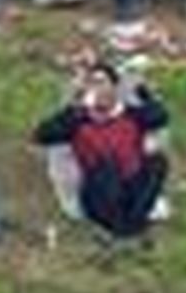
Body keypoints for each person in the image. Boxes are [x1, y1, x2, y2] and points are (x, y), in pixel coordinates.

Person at [34, 61, 170, 239]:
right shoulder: (78, 120)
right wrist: (74, 108)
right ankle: (126, 227)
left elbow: (160, 116)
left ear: (114, 87)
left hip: (131, 187)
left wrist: (145, 95)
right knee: (106, 166)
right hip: (99, 192)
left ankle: (130, 224)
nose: (97, 89)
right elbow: (42, 135)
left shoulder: (130, 114)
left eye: (101, 82)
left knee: (157, 162)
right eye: (91, 83)